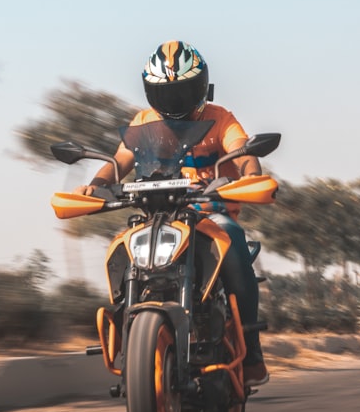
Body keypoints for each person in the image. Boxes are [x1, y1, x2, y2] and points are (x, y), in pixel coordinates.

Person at [73, 40, 270, 386]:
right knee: (122, 244)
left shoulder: (221, 119)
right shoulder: (145, 122)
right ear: (152, 94)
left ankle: (251, 347)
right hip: (159, 215)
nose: (175, 103)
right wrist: (95, 184)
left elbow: (242, 151)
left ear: (201, 87)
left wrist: (252, 175)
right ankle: (129, 333)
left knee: (233, 236)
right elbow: (120, 162)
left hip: (210, 216)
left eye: (182, 92)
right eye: (166, 94)